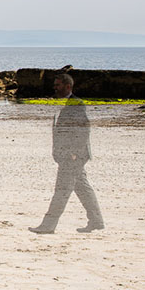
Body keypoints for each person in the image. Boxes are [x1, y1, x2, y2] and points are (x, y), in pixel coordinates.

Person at [30, 73, 104, 234]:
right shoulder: (68, 104)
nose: (55, 88)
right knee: (83, 189)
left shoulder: (76, 105)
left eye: (58, 85)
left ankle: (48, 225)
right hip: (69, 156)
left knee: (61, 191)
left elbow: (83, 130)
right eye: (55, 85)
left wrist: (74, 153)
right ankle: (97, 221)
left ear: (68, 86)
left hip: (72, 157)